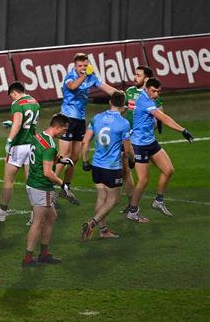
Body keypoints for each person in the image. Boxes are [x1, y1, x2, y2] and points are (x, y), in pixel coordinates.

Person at [126, 78, 194, 221]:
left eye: (158, 91)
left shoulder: (150, 99)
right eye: (153, 91)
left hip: (150, 142)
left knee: (168, 170)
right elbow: (163, 117)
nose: (156, 94)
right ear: (147, 89)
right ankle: (132, 211)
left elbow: (156, 117)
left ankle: (158, 201)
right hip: (139, 145)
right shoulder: (144, 100)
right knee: (143, 180)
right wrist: (182, 130)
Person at [56, 53, 118, 205]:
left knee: (75, 158)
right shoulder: (70, 76)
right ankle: (49, 188)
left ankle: (65, 187)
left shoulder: (91, 77)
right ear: (74, 66)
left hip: (80, 120)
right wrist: (85, 75)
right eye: (80, 66)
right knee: (64, 156)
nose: (83, 68)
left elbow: (108, 89)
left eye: (85, 65)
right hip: (67, 119)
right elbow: (73, 86)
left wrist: (121, 95)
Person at [80, 91, 135, 240]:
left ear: (110, 102)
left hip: (97, 166)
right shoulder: (123, 123)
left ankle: (103, 230)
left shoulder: (96, 118)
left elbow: (85, 142)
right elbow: (128, 148)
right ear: (123, 105)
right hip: (112, 167)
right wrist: (132, 159)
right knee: (114, 199)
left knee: (101, 197)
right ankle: (92, 223)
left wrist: (85, 161)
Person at [22, 114, 72, 267]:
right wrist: (63, 184)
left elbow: (43, 155)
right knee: (37, 222)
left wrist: (60, 159)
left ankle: (44, 254)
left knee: (51, 217)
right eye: (64, 129)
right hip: (41, 187)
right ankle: (28, 259)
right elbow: (48, 172)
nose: (65, 133)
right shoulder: (50, 145)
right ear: (57, 127)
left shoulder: (39, 137)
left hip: (33, 183)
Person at [0, 81, 40, 222]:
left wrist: (9, 140)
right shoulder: (35, 102)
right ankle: (35, 214)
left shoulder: (17, 104)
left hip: (18, 146)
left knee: (8, 180)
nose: (12, 98)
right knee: (31, 181)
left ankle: (2, 213)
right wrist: (14, 124)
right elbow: (30, 124)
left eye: (11, 96)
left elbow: (18, 123)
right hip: (32, 145)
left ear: (14, 92)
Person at [119, 66, 163, 214]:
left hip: (139, 141)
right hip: (126, 137)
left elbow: (159, 117)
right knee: (125, 171)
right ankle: (131, 203)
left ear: (146, 79)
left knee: (142, 177)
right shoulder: (130, 92)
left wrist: (147, 131)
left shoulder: (152, 95)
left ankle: (135, 207)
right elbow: (124, 109)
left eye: (138, 75)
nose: (134, 77)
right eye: (135, 74)